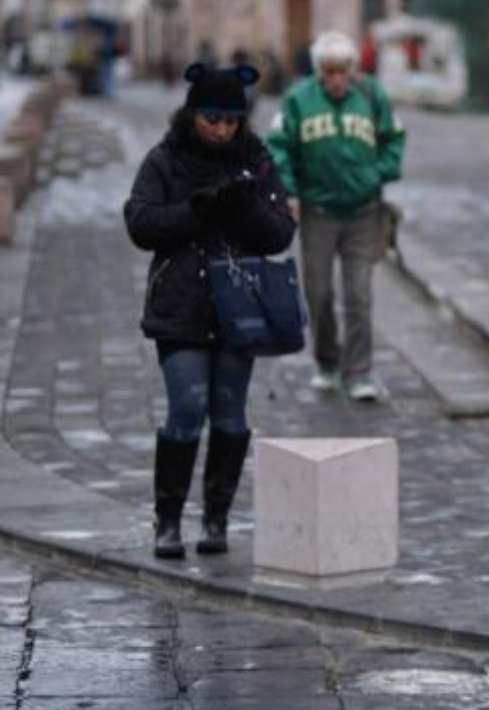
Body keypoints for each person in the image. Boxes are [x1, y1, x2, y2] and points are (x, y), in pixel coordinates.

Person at [123, 63, 297, 559]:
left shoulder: (256, 160)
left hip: (239, 307)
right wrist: (196, 210)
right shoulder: (165, 159)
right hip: (180, 302)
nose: (222, 130)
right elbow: (140, 222)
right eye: (212, 119)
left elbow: (281, 233)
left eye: (231, 120)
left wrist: (245, 208)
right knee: (187, 406)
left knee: (229, 412)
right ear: (193, 114)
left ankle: (216, 519)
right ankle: (168, 521)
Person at [267, 31, 406, 402]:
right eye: (329, 72)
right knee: (320, 293)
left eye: (344, 71)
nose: (337, 79)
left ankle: (360, 372)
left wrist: (378, 173)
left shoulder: (372, 95)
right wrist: (289, 190)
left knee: (359, 294)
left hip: (364, 211)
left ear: (353, 69)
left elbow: (394, 137)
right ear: (318, 72)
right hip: (318, 212)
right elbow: (278, 147)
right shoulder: (298, 99)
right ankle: (327, 361)